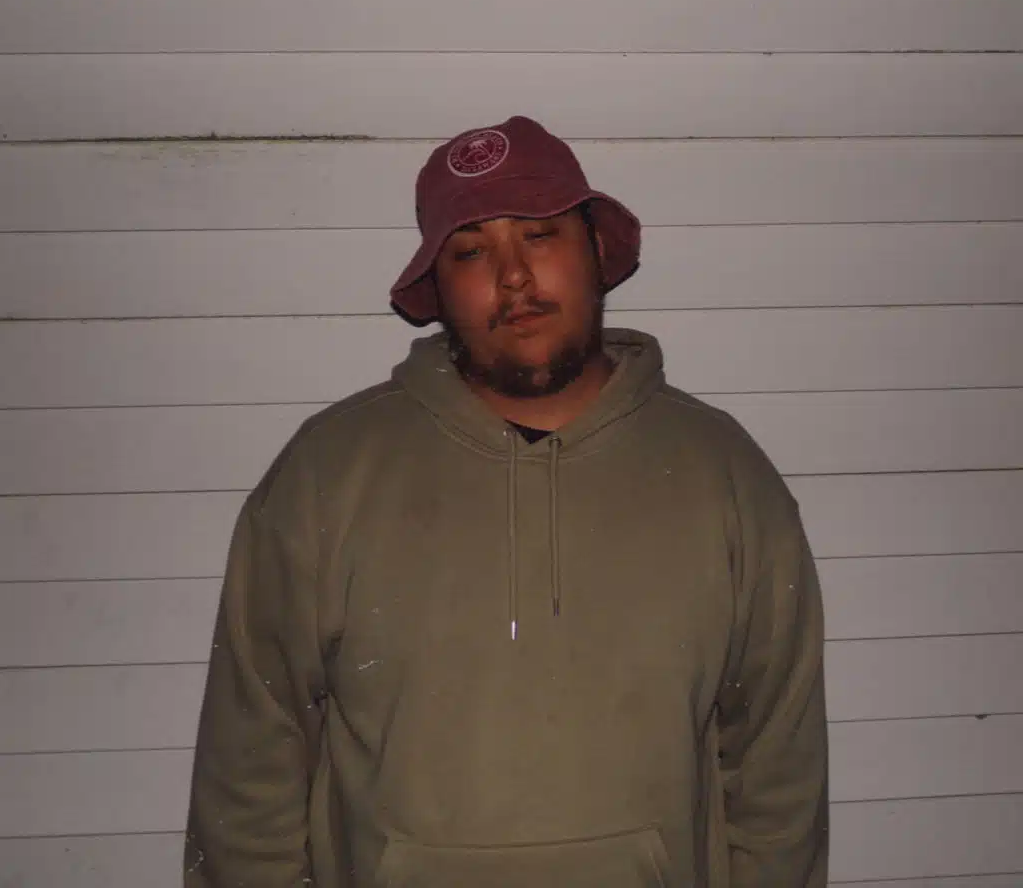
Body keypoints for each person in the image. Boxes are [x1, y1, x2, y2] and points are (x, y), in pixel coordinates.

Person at [184, 115, 829, 887]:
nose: (514, 275)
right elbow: (251, 761)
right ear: (438, 288)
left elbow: (777, 771)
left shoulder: (725, 475)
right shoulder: (325, 475)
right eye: (471, 251)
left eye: (539, 234)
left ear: (596, 249)